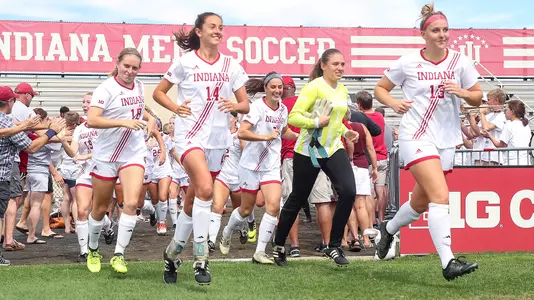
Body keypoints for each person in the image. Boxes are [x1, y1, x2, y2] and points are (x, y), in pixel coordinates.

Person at [373, 3, 482, 281]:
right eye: (436, 30)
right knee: (440, 196)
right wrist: (394, 103)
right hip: (416, 135)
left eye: (445, 30)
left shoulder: (461, 61)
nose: (442, 35)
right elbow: (380, 89)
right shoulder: (408, 61)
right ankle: (448, 262)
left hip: (446, 139)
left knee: (421, 203)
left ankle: (388, 229)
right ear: (424, 34)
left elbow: (478, 96)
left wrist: (462, 92)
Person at [152, 12, 249, 285]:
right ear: (198, 31)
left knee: (194, 200)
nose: (218, 31)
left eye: (221, 27)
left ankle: (172, 254)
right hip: (189, 137)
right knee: (206, 189)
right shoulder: (185, 62)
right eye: (212, 27)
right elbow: (160, 92)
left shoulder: (231, 65)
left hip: (218, 141)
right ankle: (201, 256)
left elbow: (245, 104)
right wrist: (175, 107)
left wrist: (235, 106)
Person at [272, 48, 359, 267]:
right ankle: (279, 245)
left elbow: (336, 121)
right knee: (297, 198)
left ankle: (334, 246)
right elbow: (294, 117)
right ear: (323, 65)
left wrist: (345, 132)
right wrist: (315, 123)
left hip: (332, 148)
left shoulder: (343, 90)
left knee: (349, 190)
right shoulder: (313, 87)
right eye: (335, 64)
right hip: (309, 150)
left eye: (342, 64)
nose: (340, 68)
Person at [85, 47, 156, 274]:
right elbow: (93, 120)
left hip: (132, 152)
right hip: (106, 155)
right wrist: (123, 122)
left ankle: (119, 254)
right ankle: (93, 249)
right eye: (127, 66)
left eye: (135, 68)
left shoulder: (139, 86)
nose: (130, 71)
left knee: (132, 203)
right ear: (117, 63)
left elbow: (140, 111)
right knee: (100, 208)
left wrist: (152, 119)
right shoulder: (105, 89)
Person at [219, 72, 298, 264]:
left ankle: (260, 252)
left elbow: (284, 131)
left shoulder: (283, 110)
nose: (277, 90)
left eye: (280, 87)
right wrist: (265, 137)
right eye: (273, 87)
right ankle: (227, 232)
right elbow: (242, 132)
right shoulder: (256, 108)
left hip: (270, 166)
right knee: (245, 209)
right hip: (250, 166)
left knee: (273, 206)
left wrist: (300, 136)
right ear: (265, 88)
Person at [483, 100, 531, 165]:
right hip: (525, 163)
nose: (505, 112)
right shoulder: (526, 126)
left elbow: (501, 146)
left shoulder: (509, 125)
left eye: (507, 110)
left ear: (512, 112)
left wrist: (490, 136)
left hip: (511, 163)